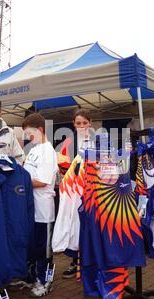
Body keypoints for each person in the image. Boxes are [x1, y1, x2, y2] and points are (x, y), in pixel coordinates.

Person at [22, 113, 58, 298]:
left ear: (40, 130)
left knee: (45, 250)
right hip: (32, 209)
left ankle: (46, 281)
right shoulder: (34, 149)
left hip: (44, 210)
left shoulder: (47, 151)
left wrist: (20, 182)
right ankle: (35, 277)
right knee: (35, 248)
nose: (28, 137)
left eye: (29, 133)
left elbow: (43, 181)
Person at [58, 110, 93, 279]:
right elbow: (61, 166)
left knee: (90, 225)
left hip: (93, 190)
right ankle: (74, 263)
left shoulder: (97, 142)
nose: (81, 126)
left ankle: (90, 262)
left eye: (84, 123)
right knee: (74, 224)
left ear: (90, 123)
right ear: (73, 124)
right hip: (73, 192)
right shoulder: (68, 143)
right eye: (78, 123)